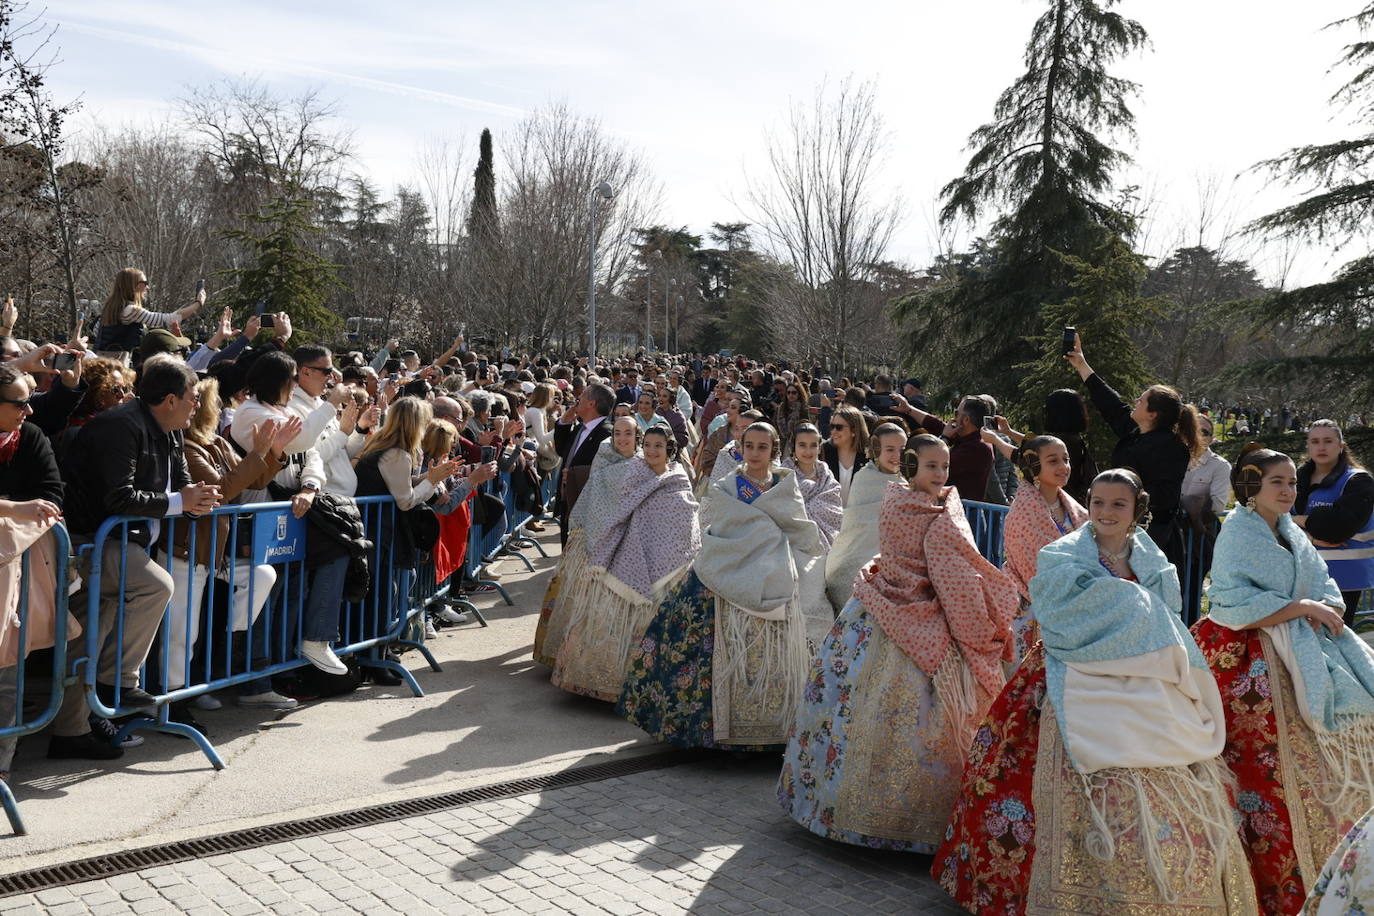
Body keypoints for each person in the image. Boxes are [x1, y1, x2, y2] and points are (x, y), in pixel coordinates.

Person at [935, 469, 1252, 913]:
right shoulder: (1062, 556)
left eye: (1118, 504)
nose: (1105, 512)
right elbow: (1059, 611)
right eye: (1098, 502)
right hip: (1072, 671)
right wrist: (1129, 607)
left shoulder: (1154, 561)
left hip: (1147, 683)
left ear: (1136, 509)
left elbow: (1168, 617)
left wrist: (1133, 616)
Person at [779, 434, 1018, 851]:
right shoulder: (920, 509)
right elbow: (947, 570)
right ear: (911, 467)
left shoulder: (928, 503)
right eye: (932, 467)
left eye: (944, 467)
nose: (941, 474)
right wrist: (984, 610)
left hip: (885, 604)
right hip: (910, 610)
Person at [1190, 445, 1374, 913]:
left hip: (1303, 648)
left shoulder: (1293, 532)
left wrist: (1322, 607)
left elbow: (1324, 586)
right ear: (1252, 486)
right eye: (1278, 482)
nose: (1290, 491)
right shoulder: (1237, 530)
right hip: (1244, 656)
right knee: (1256, 764)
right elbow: (1229, 602)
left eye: (1293, 482)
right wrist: (1302, 608)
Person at [618, 422, 821, 750]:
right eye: (749, 445)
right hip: (724, 572)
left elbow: (799, 530)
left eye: (762, 447)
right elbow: (725, 526)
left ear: (774, 451)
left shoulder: (786, 488)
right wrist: (762, 533)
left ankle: (769, 728)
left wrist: (770, 538)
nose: (755, 453)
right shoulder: (727, 486)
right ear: (740, 447)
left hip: (774, 580)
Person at [60, 356, 221, 723]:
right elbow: (118, 497)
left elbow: (179, 484)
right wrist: (182, 502)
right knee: (156, 586)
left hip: (123, 541)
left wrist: (195, 499)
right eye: (193, 397)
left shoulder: (171, 429)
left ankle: (74, 732)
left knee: (89, 636)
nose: (197, 405)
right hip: (93, 540)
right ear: (170, 400)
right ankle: (116, 681)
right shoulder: (121, 426)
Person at [166, 377, 298, 724]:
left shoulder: (215, 443)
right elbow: (221, 490)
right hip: (188, 550)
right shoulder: (188, 447)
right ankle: (171, 701)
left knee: (262, 574)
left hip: (215, 551)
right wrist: (258, 453)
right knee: (183, 631)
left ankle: (234, 638)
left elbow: (254, 480)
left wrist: (275, 451)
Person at [552, 426, 700, 701]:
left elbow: (686, 522)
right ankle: (605, 684)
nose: (653, 451)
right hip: (624, 557)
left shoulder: (678, 479)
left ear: (669, 449)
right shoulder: (631, 472)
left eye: (659, 446)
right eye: (649, 445)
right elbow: (612, 511)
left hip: (667, 567)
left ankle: (651, 689)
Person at [0, 365, 86, 770]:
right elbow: (33, 505)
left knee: (7, 671)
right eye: (19, 403)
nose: (29, 411)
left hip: (18, 576)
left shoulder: (30, 438)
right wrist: (16, 508)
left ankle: (1, 766)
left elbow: (51, 496)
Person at [1066, 333, 1197, 561]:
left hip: (1152, 539)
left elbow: (1166, 497)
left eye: (1142, 400)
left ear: (1153, 414)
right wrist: (1082, 364)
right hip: (1121, 529)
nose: (1136, 401)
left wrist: (1126, 496)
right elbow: (1110, 403)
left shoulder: (1173, 448)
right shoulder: (1134, 432)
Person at [534, 417, 640, 667]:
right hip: (592, 534)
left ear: (638, 436)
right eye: (617, 433)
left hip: (628, 542)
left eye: (628, 433)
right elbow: (596, 494)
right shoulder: (603, 455)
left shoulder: (644, 464)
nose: (622, 439)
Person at [1001, 436, 1088, 662]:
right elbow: (1032, 570)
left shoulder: (1076, 510)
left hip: (1071, 607)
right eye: (1053, 461)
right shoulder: (1023, 513)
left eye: (1066, 459)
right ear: (1033, 466)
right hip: (1029, 608)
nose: (1064, 467)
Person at [1294, 419, 1374, 626]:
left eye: (1328, 441)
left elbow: (1337, 528)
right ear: (1308, 446)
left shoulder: (1358, 481)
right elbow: (1274, 520)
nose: (1321, 447)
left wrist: (1297, 521)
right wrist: (1309, 530)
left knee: (1334, 641)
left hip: (1343, 578)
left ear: (1341, 445)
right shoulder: (1293, 479)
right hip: (1299, 574)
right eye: (1315, 441)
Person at [824, 423, 906, 613]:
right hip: (859, 557)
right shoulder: (863, 478)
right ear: (876, 449)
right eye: (890, 449)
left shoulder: (905, 484)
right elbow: (858, 525)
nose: (896, 455)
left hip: (891, 564)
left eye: (901, 450)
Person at [782, 423, 843, 645]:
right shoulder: (784, 474)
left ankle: (820, 639)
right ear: (794, 447)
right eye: (802, 445)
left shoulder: (826, 474)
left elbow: (833, 507)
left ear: (819, 446)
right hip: (792, 541)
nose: (808, 451)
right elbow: (783, 507)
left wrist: (809, 510)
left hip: (824, 541)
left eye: (813, 445)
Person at [894, 396, 995, 501]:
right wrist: (909, 409)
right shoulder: (969, 438)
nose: (953, 419)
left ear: (966, 420)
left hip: (964, 512)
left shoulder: (978, 448)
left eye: (956, 414)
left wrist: (945, 438)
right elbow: (937, 425)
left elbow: (933, 463)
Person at [552, 382, 615, 547]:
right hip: (570, 502)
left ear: (591, 403)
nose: (577, 399)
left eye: (582, 396)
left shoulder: (606, 433)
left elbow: (610, 472)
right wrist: (563, 424)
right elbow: (562, 451)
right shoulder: (581, 427)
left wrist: (575, 473)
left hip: (588, 508)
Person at [95, 267, 205, 353]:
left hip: (104, 361)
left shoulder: (110, 309)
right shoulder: (131, 310)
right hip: (120, 365)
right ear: (134, 286)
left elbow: (96, 332)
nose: (148, 287)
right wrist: (198, 303)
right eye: (144, 283)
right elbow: (170, 319)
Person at [821, 405, 870, 507]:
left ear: (854, 430)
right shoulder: (823, 451)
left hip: (857, 517)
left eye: (839, 427)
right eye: (832, 426)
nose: (833, 431)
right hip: (829, 515)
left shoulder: (868, 456)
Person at [772, 380, 809, 458]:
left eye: (794, 392)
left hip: (797, 444)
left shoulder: (804, 409)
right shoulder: (780, 409)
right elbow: (774, 426)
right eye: (788, 392)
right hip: (782, 444)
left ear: (799, 394)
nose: (790, 395)